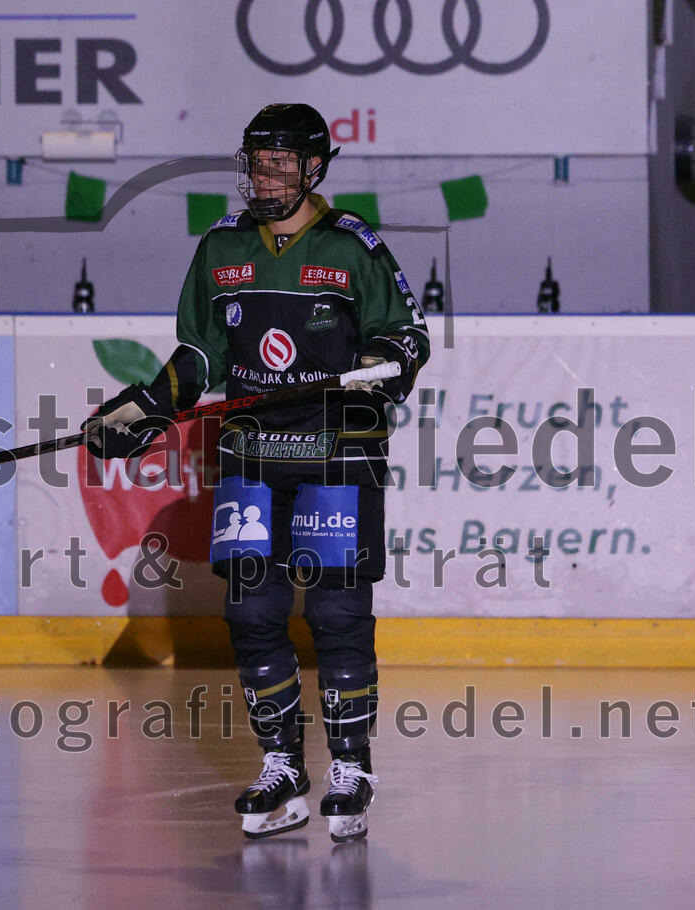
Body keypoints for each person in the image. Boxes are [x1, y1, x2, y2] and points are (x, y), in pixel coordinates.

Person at [84, 103, 430, 841]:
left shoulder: (351, 246)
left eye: (279, 164)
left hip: (338, 449)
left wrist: (384, 362)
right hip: (252, 453)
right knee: (249, 612)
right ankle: (282, 765)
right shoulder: (221, 247)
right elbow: (200, 358)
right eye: (256, 162)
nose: (264, 176)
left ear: (313, 168)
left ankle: (350, 767)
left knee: (336, 614)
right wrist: (144, 407)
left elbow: (407, 336)